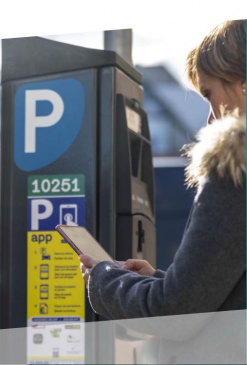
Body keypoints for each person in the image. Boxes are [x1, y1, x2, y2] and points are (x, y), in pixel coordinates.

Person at [80, 20, 246, 320]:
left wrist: (103, 278)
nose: (209, 119)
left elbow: (174, 311)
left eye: (209, 94)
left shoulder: (235, 172)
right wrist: (160, 282)